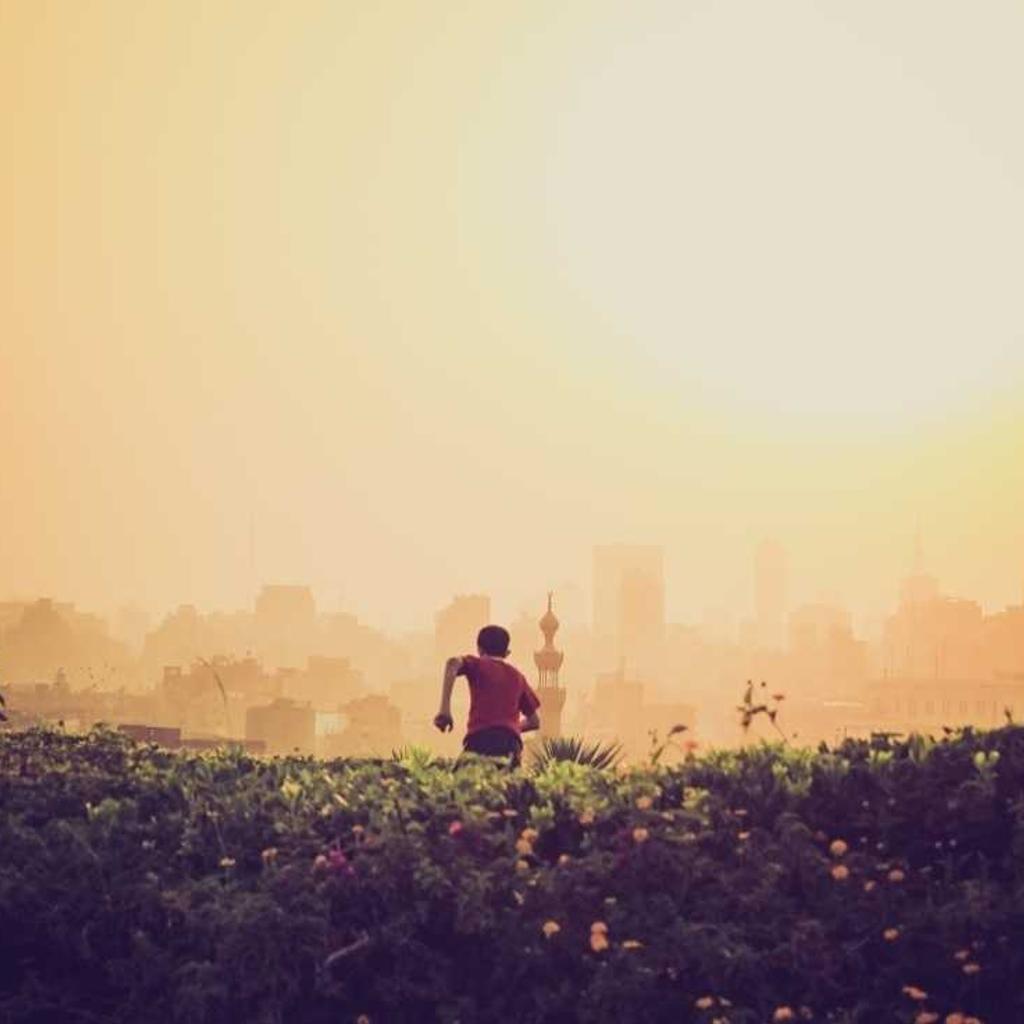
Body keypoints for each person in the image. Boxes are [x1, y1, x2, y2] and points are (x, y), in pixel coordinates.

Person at [433, 624, 541, 765]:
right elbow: (534, 722)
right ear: (506, 652)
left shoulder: (478, 665)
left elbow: (452, 663)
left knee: (460, 783)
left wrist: (444, 710)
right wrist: (508, 726)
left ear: (479, 649)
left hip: (481, 740)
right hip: (511, 745)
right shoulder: (518, 677)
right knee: (508, 785)